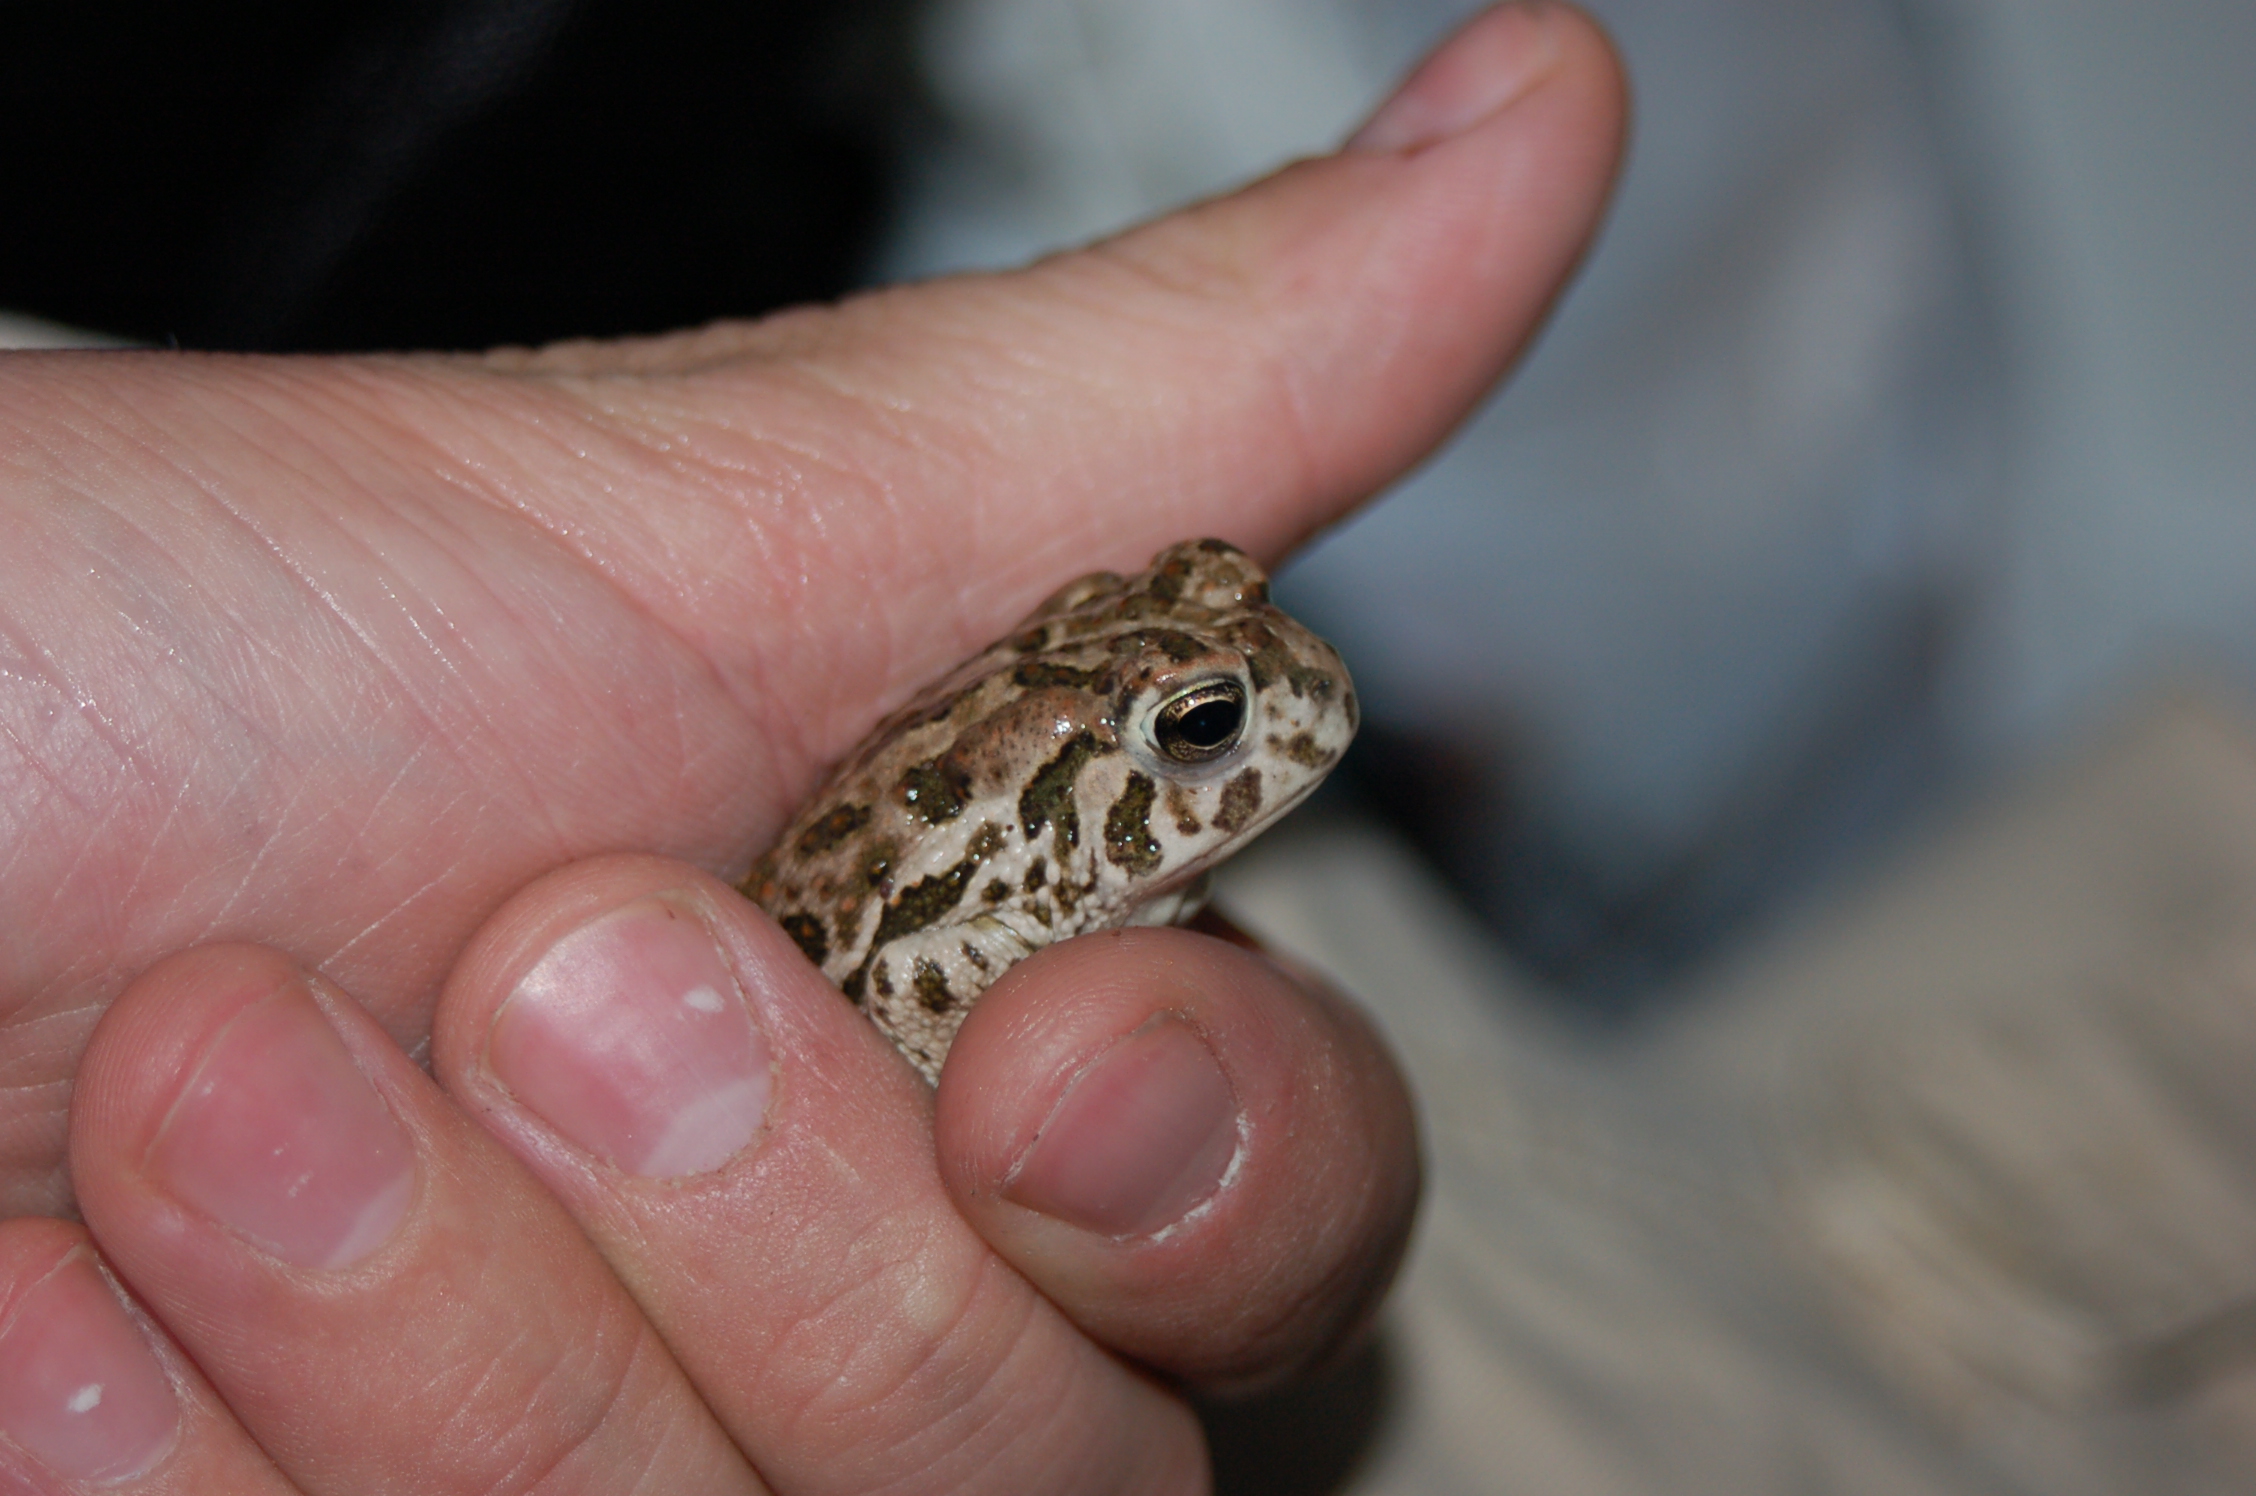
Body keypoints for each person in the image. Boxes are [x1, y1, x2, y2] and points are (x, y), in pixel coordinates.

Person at [0, 5, 1627, 1489]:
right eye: (1204, 730)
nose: (1281, 695)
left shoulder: (1049, 940)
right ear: (1071, 817)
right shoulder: (976, 931)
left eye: (1224, 649)